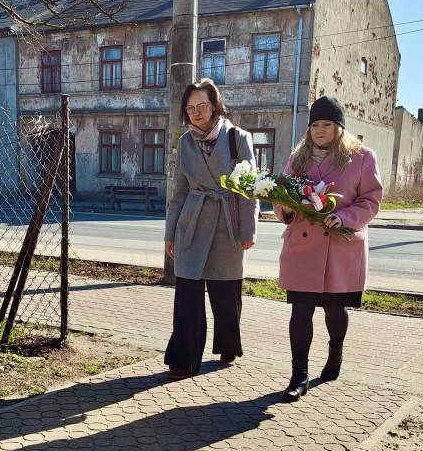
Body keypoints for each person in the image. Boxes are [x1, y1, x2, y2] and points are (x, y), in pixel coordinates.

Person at [275, 96, 382, 402]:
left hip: (340, 246)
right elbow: (281, 196)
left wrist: (344, 216)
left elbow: (372, 198)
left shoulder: (362, 157)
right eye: (314, 126)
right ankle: (299, 376)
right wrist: (289, 210)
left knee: (335, 311)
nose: (320, 131)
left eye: (327, 125)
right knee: (301, 312)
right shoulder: (297, 158)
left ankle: (335, 354)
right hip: (302, 248)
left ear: (339, 128)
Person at [163, 78, 259, 379]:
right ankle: (183, 359)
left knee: (226, 296)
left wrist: (248, 231)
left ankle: (228, 344)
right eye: (190, 108)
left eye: (202, 106)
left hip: (228, 222)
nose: (196, 113)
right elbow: (178, 192)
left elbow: (249, 188)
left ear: (215, 105)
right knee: (187, 296)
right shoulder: (185, 142)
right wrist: (170, 233)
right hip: (191, 224)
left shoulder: (237, 138)